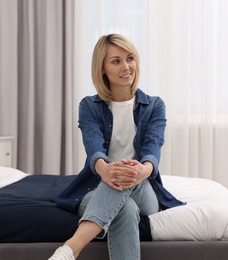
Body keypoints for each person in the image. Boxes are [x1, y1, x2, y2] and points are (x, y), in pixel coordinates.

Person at [49, 33, 185, 260]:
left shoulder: (154, 106)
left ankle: (70, 250)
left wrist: (143, 170)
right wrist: (105, 170)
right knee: (126, 209)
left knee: (127, 177)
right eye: (116, 61)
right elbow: (93, 147)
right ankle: (68, 251)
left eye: (130, 58)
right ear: (102, 68)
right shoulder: (89, 106)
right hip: (97, 186)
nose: (126, 66)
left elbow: (154, 147)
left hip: (143, 187)